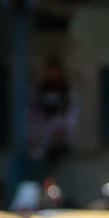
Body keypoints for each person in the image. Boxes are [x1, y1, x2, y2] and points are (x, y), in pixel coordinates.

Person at [28, 60, 77, 190]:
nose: (53, 75)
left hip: (60, 145)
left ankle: (55, 189)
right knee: (37, 163)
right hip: (41, 142)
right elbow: (33, 116)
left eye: (56, 72)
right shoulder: (39, 91)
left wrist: (63, 132)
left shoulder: (66, 92)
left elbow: (71, 117)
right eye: (51, 71)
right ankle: (42, 189)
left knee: (58, 169)